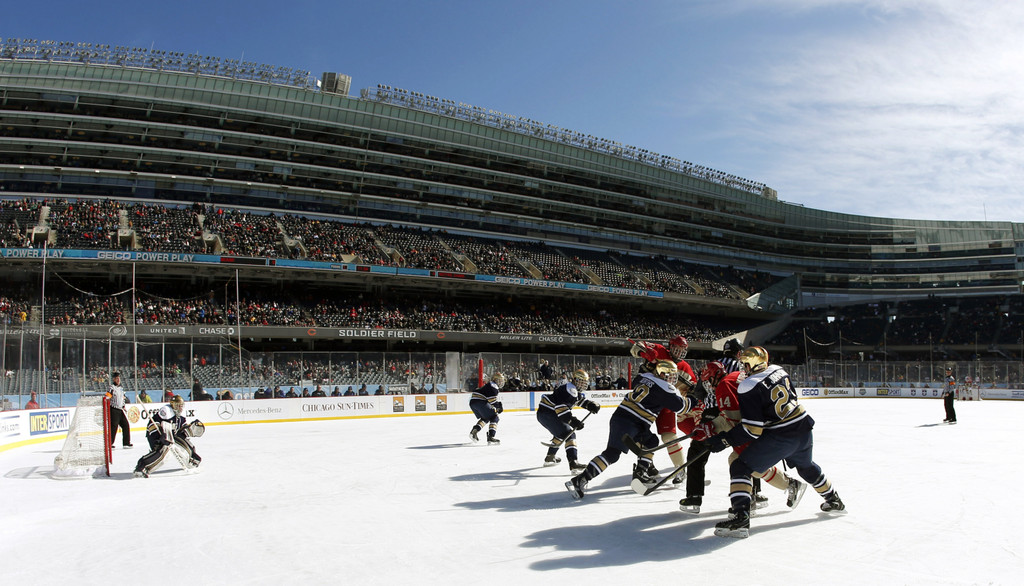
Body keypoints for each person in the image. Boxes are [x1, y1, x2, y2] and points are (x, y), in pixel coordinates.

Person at [705, 347, 845, 539]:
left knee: (740, 466)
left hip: (782, 435)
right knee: (806, 467)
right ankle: (833, 499)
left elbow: (752, 429)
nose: (743, 368)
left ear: (753, 363)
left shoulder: (749, 385)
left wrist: (724, 439)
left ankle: (740, 517)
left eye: (746, 364)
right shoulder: (779, 369)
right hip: (803, 427)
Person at [565, 360, 705, 500]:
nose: (672, 379)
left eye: (674, 376)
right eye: (670, 376)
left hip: (629, 420)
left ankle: (641, 472)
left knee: (651, 442)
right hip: (629, 422)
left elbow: (643, 377)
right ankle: (580, 480)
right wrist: (695, 396)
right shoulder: (664, 388)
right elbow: (682, 407)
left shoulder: (646, 376)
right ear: (661, 374)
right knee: (612, 454)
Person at [678, 361, 804, 515]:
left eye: (708, 382)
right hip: (771, 422)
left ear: (713, 378)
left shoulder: (724, 386)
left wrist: (717, 432)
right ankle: (759, 493)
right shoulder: (735, 375)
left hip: (755, 427)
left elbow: (735, 421)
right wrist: (711, 426)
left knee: (743, 461)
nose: (708, 386)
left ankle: (752, 499)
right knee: (741, 461)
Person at [629, 335, 697, 484]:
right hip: (646, 400)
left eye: (682, 350)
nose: (679, 353)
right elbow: (636, 346)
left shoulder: (685, 367)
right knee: (637, 435)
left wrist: (693, 390)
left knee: (668, 436)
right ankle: (646, 465)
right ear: (669, 346)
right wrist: (643, 353)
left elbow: (692, 387)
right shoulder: (659, 350)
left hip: (665, 402)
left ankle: (680, 469)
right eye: (676, 349)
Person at [537, 369, 601, 472]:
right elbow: (561, 409)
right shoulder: (570, 390)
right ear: (575, 380)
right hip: (548, 413)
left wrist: (590, 405)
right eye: (582, 381)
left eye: (585, 381)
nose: (584, 384)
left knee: (561, 434)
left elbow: (578, 401)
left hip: (546, 413)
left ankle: (550, 458)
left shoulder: (572, 389)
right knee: (569, 434)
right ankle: (573, 463)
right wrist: (572, 421)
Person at [133, 395, 203, 478]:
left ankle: (191, 460)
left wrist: (189, 429)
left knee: (186, 444)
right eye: (178, 406)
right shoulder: (166, 411)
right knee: (164, 453)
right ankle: (142, 467)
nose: (180, 408)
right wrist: (159, 437)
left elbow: (180, 430)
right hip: (157, 436)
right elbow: (153, 425)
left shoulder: (181, 416)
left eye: (181, 406)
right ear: (173, 405)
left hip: (171, 436)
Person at [469, 372, 506, 444]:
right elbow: (492, 401)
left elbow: (490, 400)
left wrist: (497, 406)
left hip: (473, 402)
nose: (501, 382)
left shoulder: (490, 385)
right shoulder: (494, 387)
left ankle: (475, 431)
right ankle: (491, 437)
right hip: (480, 401)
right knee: (495, 417)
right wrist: (499, 406)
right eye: (500, 380)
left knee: (486, 417)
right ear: (495, 380)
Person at [107, 372, 132, 448]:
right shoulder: (111, 388)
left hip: (120, 409)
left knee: (126, 425)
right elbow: (108, 396)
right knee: (114, 427)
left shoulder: (121, 389)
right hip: (113, 409)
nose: (118, 380)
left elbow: (123, 398)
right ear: (114, 379)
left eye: (119, 378)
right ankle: (110, 443)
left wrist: (123, 406)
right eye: (116, 378)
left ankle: (126, 443)